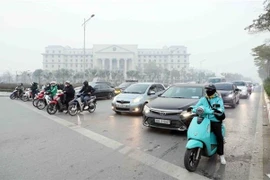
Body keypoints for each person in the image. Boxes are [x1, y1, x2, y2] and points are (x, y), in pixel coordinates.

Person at [192, 84, 226, 165]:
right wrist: (194, 109)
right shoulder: (203, 99)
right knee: (198, 133)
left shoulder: (218, 99)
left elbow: (221, 109)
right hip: (204, 120)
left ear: (213, 91)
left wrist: (209, 110)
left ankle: (221, 155)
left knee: (219, 137)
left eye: (209, 90)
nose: (208, 91)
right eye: (207, 90)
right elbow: (196, 107)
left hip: (214, 120)